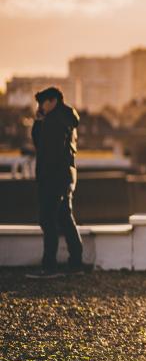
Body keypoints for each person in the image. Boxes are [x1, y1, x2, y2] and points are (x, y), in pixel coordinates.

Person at [26, 87, 85, 279]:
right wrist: (38, 122)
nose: (40, 107)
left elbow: (43, 148)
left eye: (41, 103)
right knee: (65, 218)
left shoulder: (54, 121)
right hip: (66, 176)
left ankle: (49, 267)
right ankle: (76, 263)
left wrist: (39, 123)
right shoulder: (66, 119)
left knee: (48, 219)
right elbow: (42, 144)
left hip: (53, 177)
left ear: (52, 101)